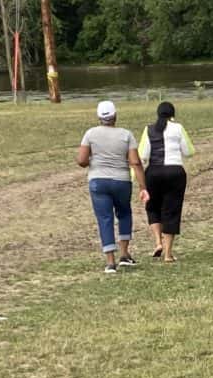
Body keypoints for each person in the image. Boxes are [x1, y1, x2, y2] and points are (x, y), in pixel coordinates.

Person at [77, 100, 149, 274]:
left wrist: (91, 161)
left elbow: (81, 160)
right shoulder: (126, 135)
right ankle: (124, 254)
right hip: (121, 181)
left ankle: (110, 261)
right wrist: (143, 186)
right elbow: (135, 162)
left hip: (98, 180)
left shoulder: (90, 134)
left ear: (99, 117)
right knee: (124, 213)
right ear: (115, 116)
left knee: (105, 219)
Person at [139, 102, 194, 264]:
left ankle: (158, 242)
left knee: (152, 206)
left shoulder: (148, 129)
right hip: (175, 173)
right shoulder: (178, 128)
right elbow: (189, 151)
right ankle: (168, 254)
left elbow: (143, 154)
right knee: (172, 210)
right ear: (173, 115)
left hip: (154, 172)